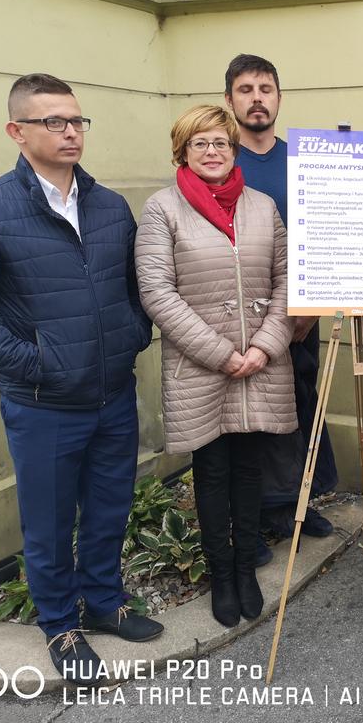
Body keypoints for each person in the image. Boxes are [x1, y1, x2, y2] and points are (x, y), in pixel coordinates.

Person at [0, 73, 162, 684]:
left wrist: (131, 340)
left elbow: (135, 290)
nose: (70, 131)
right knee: (49, 522)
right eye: (53, 122)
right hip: (43, 406)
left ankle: (104, 601)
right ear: (17, 131)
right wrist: (37, 364)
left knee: (111, 508)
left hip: (113, 395)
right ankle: (60, 624)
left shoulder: (110, 206)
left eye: (77, 121)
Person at [135, 105, 297, 629]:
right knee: (211, 475)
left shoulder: (262, 205)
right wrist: (221, 353)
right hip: (202, 369)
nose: (212, 152)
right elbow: (157, 292)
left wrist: (265, 347)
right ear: (183, 150)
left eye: (221, 143)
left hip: (259, 365)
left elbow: (286, 280)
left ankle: (247, 567)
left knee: (249, 470)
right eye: (200, 143)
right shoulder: (163, 209)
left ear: (234, 150)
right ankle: (221, 574)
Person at [223, 54, 334, 557]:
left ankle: (298, 501)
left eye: (265, 88)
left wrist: (310, 311)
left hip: (302, 316)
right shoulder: (221, 163)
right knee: (254, 419)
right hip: (244, 319)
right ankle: (260, 513)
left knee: (301, 409)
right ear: (231, 100)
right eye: (245, 89)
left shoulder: (304, 161)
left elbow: (323, 237)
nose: (257, 98)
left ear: (279, 98)